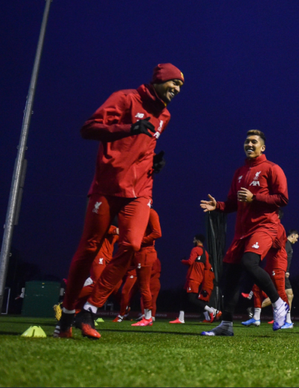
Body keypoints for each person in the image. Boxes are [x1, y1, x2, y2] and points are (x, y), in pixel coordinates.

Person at [54, 63, 184, 339]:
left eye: (181, 86)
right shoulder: (125, 98)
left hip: (140, 190)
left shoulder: (166, 115)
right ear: (159, 80)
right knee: (88, 249)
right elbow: (88, 129)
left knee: (132, 244)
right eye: (174, 82)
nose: (177, 89)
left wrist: (153, 162)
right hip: (107, 186)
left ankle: (89, 310)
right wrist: (127, 128)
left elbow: (144, 145)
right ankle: (66, 316)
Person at [199, 129, 289, 336]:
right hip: (242, 232)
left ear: (262, 147)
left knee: (250, 263)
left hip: (265, 226)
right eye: (247, 142)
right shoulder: (239, 172)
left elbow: (282, 199)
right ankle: (226, 325)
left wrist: (255, 198)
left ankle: (279, 303)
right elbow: (233, 202)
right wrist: (219, 206)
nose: (249, 145)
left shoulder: (272, 169)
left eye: (254, 142)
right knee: (229, 278)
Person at [242, 226, 288, 328]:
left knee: (280, 290)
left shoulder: (278, 227)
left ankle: (287, 320)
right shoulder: (266, 225)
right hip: (270, 263)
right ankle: (256, 317)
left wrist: (265, 241)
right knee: (256, 287)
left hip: (278, 263)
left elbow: (278, 244)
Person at [170, 234, 220, 323]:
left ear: (197, 240)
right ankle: (181, 318)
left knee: (192, 299)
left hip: (193, 277)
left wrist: (182, 261)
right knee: (184, 296)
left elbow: (190, 262)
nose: (193, 241)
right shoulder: (206, 253)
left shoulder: (195, 249)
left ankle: (212, 310)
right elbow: (207, 266)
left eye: (194, 239)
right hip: (198, 278)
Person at [131, 208, 162, 327]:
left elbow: (157, 233)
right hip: (139, 252)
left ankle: (148, 317)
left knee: (144, 286)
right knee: (142, 287)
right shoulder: (139, 212)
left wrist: (141, 241)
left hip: (145, 252)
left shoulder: (150, 212)